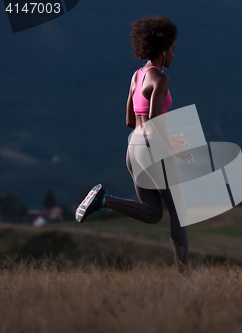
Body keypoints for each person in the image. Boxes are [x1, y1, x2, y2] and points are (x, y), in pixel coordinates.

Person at [75, 15, 195, 274]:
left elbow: (131, 120)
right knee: (179, 212)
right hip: (154, 150)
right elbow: (153, 119)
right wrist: (171, 145)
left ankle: (103, 199)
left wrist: (166, 137)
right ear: (162, 49)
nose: (174, 54)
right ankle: (185, 275)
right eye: (173, 49)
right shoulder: (161, 80)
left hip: (134, 150)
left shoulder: (137, 75)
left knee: (153, 213)